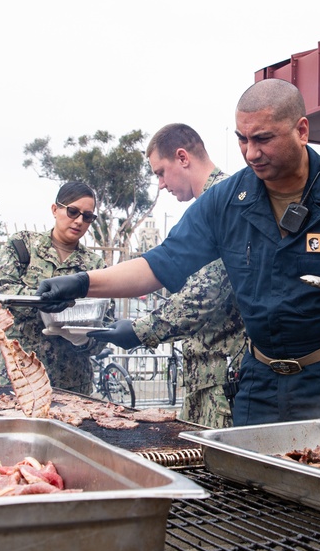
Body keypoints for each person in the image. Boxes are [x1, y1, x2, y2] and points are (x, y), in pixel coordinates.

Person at [37, 79, 320, 426]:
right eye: (242, 139)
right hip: (259, 381)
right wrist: (82, 283)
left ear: (301, 130)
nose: (251, 153)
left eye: (263, 138)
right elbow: (161, 263)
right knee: (248, 489)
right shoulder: (227, 201)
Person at [89, 123, 245, 428]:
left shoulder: (224, 202)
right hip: (209, 374)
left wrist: (140, 330)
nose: (160, 184)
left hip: (225, 377)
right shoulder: (209, 204)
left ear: (183, 157)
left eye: (161, 172)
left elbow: (204, 296)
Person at [0, 181, 113, 395]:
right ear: (55, 209)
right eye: (72, 211)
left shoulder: (94, 266)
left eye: (88, 216)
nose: (79, 221)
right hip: (15, 376)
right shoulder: (23, 246)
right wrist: (43, 303)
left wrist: (84, 339)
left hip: (70, 384)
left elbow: (105, 326)